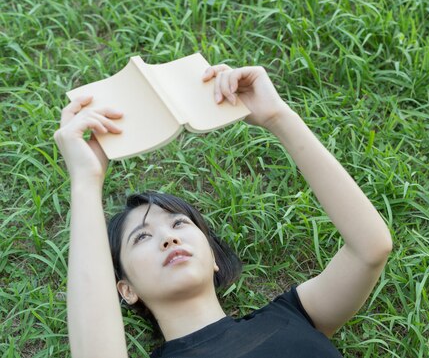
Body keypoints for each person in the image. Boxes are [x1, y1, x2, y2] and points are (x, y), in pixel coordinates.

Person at [54, 63, 393, 358]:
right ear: (127, 290)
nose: (169, 239)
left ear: (214, 258)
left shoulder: (296, 315)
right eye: (141, 237)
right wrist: (84, 181)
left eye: (179, 224)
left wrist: (278, 117)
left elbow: (370, 248)